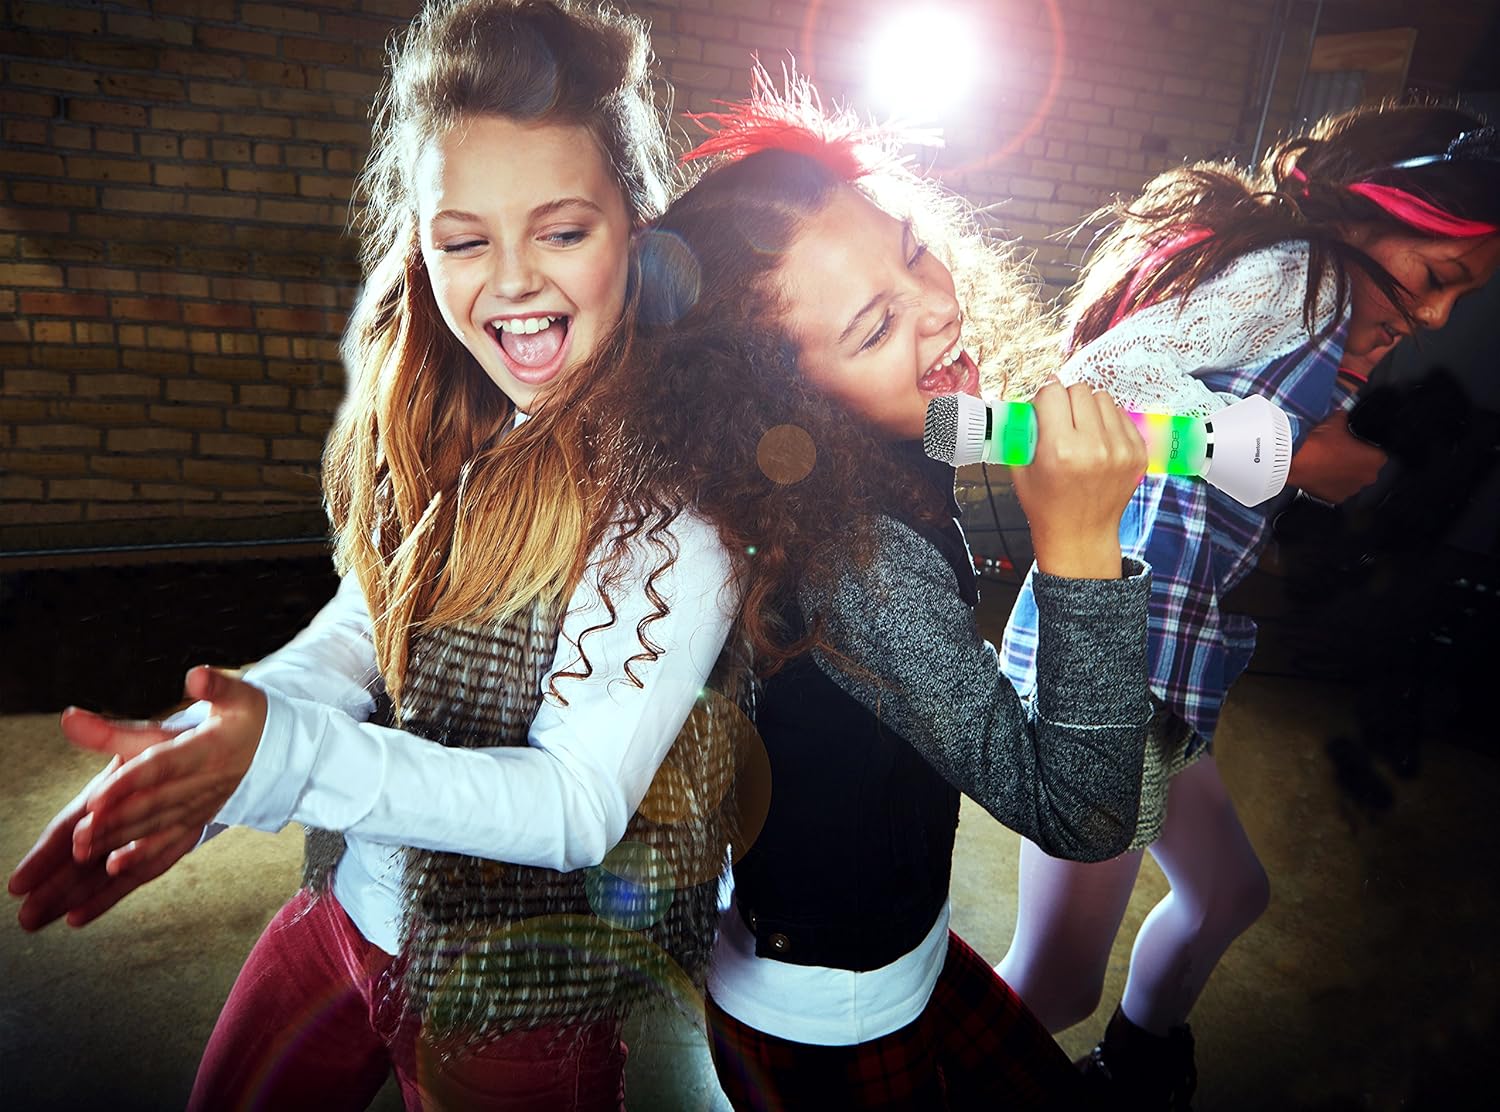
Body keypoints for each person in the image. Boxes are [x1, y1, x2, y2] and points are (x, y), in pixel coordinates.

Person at [8, 2, 739, 1109]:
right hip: (348, 912)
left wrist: (289, 760)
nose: (511, 282)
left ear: (637, 231)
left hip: (514, 996)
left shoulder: (677, 507)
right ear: (420, 244)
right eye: (464, 240)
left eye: (562, 232)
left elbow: (576, 804)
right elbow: (366, 628)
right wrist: (207, 758)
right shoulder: (448, 420)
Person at [589, 71, 1159, 1109]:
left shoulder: (839, 462)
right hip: (835, 1019)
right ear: (780, 401)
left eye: (913, 250)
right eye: (873, 329)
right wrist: (1081, 540)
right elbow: (1083, 812)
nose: (939, 306)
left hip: (909, 950)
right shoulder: (858, 564)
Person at [992, 104, 1500, 1108]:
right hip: (1115, 670)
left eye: (1462, 294)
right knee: (1052, 984)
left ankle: (1135, 1071)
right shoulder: (1302, 276)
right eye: (1439, 275)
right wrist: (1291, 455)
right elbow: (1097, 378)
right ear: (1372, 212)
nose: (1439, 315)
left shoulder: (1313, 295)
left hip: (1164, 661)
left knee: (1229, 893)